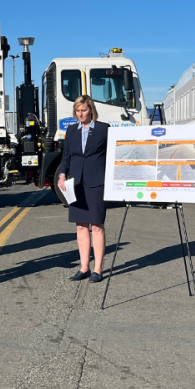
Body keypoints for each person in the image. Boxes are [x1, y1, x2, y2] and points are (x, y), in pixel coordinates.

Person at [58, 95, 109, 283]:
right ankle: (84, 267)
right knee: (81, 226)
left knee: (96, 225)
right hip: (76, 183)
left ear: (91, 110)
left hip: (96, 182)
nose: (80, 114)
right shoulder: (71, 131)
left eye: (84, 110)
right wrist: (63, 175)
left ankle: (98, 269)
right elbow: (66, 157)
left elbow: (111, 154)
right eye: (77, 111)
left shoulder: (104, 129)